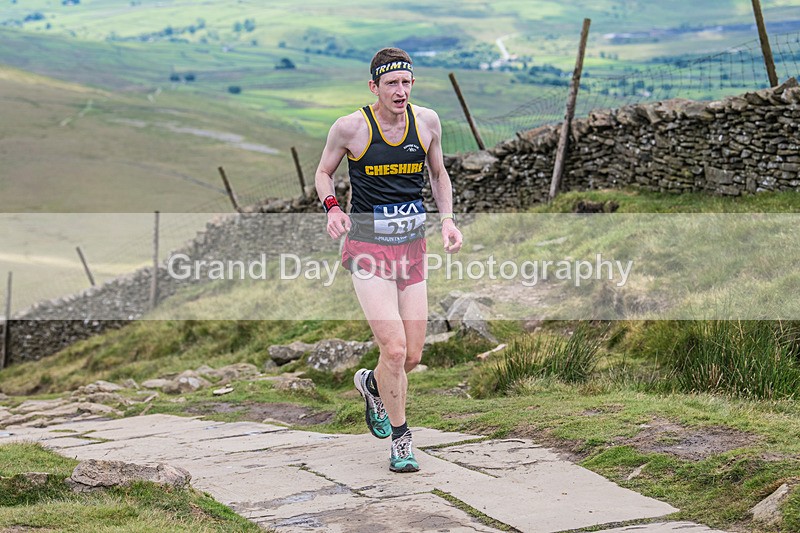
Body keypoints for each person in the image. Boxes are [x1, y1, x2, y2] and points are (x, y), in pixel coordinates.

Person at [314, 47, 462, 473]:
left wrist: (448, 220)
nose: (400, 90)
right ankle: (402, 440)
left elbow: (438, 175)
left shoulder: (427, 122)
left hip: (412, 248)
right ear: (374, 86)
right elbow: (323, 171)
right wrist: (333, 207)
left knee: (413, 355)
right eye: (391, 83)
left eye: (406, 82)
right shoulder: (350, 128)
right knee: (394, 350)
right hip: (367, 250)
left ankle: (371, 386)